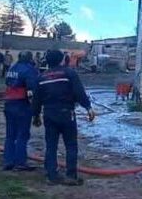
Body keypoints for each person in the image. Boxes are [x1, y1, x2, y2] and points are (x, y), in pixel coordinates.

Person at [32, 49, 96, 186]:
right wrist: (88, 107)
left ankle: (51, 175)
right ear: (62, 60)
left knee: (51, 145)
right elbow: (79, 92)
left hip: (49, 114)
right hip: (67, 114)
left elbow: (36, 99)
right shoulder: (69, 73)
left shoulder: (41, 78)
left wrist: (36, 115)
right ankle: (71, 176)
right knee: (71, 145)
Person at [3, 51, 39, 171]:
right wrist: (35, 109)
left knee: (10, 134)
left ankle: (8, 160)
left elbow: (7, 83)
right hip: (22, 104)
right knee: (22, 134)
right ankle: (20, 162)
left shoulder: (13, 68)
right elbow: (31, 90)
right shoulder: (29, 69)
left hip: (9, 104)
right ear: (29, 59)